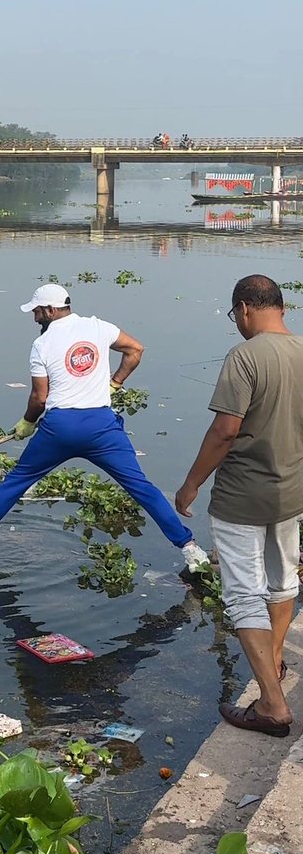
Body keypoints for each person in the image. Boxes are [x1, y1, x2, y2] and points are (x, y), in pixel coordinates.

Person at [0, 283, 209, 572]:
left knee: (18, 480)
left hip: (60, 427)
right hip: (101, 427)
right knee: (142, 487)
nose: (35, 317)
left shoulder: (41, 345)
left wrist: (27, 422)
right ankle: (190, 550)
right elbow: (135, 350)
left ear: (51, 310)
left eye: (37, 312)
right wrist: (116, 383)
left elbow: (39, 397)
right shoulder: (98, 327)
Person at [175, 275, 303, 738]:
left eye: (236, 317)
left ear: (246, 308)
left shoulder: (245, 357)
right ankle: (272, 668)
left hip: (242, 496)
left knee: (244, 594)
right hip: (291, 492)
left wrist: (190, 484)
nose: (237, 325)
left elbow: (225, 431)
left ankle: (271, 704)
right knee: (283, 579)